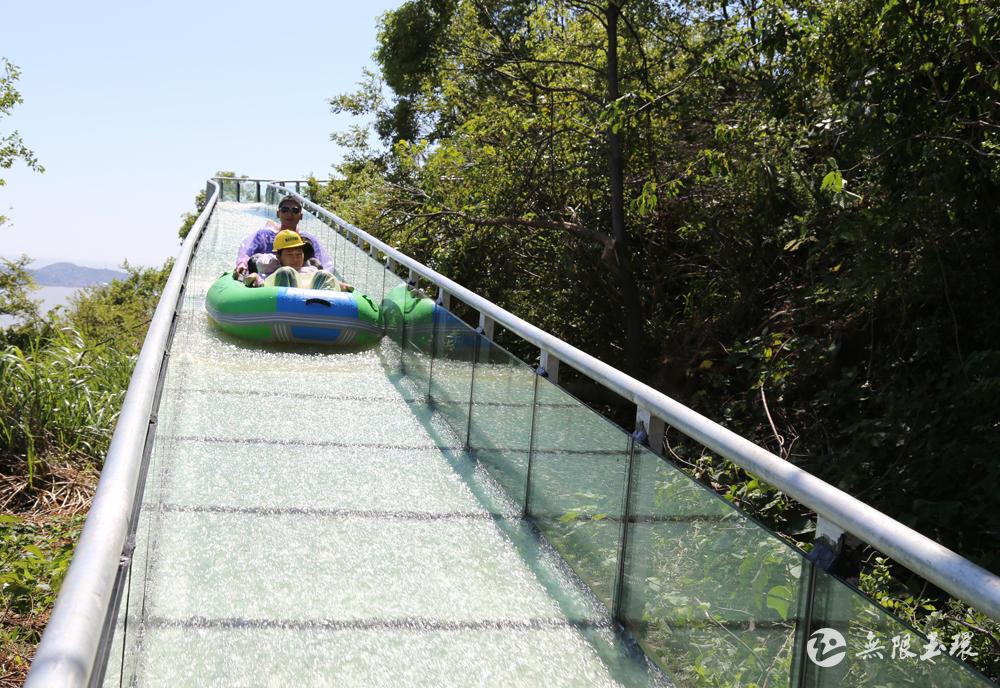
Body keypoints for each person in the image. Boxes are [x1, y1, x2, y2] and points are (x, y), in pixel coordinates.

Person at [232, 196, 334, 280]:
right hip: (267, 280)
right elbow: (248, 254)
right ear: (278, 213)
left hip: (301, 281)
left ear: (301, 216)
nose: (290, 214)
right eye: (285, 210)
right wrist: (242, 264)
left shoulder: (307, 239)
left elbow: (321, 264)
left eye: (295, 210)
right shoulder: (264, 235)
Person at [244, 230, 354, 292]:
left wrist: (339, 284)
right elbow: (261, 281)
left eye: (299, 254)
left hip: (316, 306)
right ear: (278, 256)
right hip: (282, 307)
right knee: (286, 272)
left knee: (324, 274)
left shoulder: (312, 270)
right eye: (290, 254)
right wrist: (255, 277)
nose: (296, 259)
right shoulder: (272, 271)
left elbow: (328, 282)